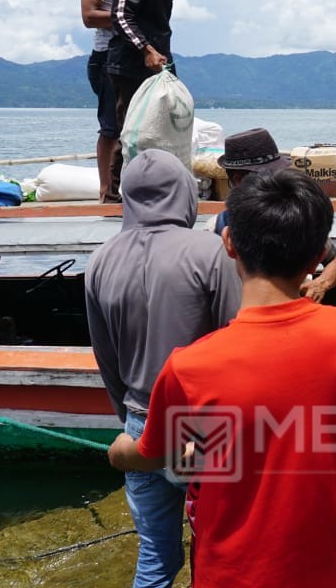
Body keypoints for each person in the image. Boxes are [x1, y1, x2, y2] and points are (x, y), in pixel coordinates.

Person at [108, 168, 336, 587]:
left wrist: (118, 451)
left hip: (232, 574)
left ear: (229, 243)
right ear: (315, 256)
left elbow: (151, 453)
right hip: (323, 567)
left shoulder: (190, 367)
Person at [85, 149, 241, 588]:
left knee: (155, 556)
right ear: (185, 193)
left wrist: (132, 421)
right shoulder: (211, 253)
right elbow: (234, 343)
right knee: (219, 553)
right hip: (205, 429)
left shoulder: (100, 261)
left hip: (140, 425)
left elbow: (106, 358)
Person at [105, 0, 186, 202]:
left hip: (157, 63)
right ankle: (117, 196)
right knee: (132, 130)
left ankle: (151, 189)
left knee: (157, 128)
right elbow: (121, 15)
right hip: (132, 65)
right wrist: (147, 49)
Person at [212, 128, 336, 301]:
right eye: (269, 174)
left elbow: (334, 262)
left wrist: (320, 284)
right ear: (238, 180)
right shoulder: (216, 227)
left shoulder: (296, 218)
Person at [81, 0, 137, 203]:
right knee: (110, 127)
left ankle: (124, 187)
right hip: (105, 58)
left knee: (129, 126)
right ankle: (106, 191)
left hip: (126, 57)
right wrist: (126, 14)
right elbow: (89, 17)